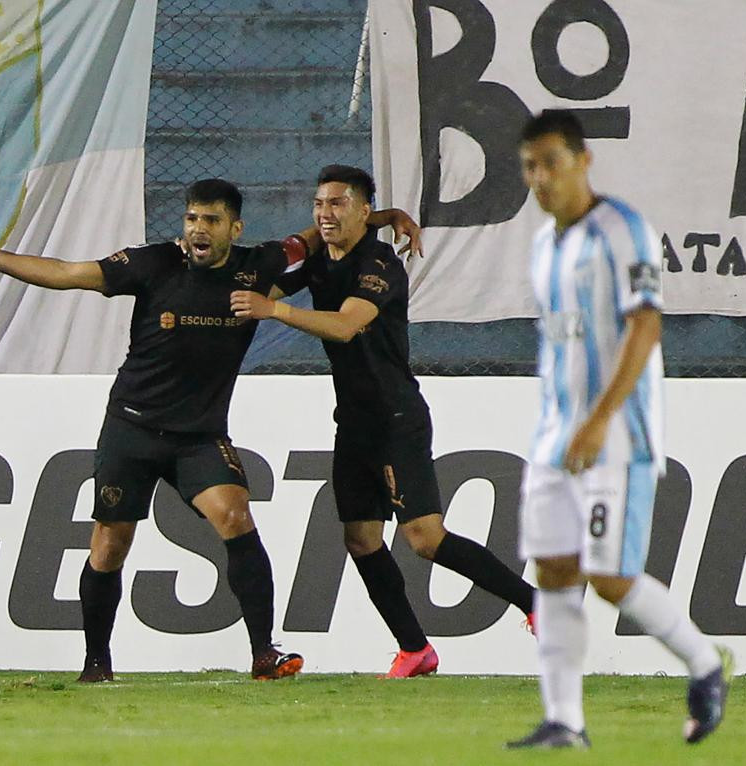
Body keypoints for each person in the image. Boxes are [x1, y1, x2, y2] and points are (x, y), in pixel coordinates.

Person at [0, 178, 419, 683]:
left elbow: (317, 236)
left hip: (199, 437)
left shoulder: (259, 265)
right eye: (192, 218)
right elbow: (67, 273)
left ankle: (265, 654)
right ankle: (96, 663)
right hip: (131, 429)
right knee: (109, 544)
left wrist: (379, 216)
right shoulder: (153, 263)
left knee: (236, 515)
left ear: (233, 228)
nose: (198, 229)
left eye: (211, 221)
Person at [230, 165, 537, 679]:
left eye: (338, 204)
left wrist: (271, 311)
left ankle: (534, 602)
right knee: (361, 539)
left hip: (396, 418)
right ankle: (415, 650)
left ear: (362, 211)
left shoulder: (379, 262)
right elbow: (274, 289)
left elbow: (348, 325)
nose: (325, 214)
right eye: (319, 204)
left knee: (424, 537)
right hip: (353, 423)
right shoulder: (322, 260)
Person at [503, 109, 732, 749]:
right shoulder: (545, 246)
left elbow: (646, 326)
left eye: (551, 162)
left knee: (608, 578)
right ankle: (564, 721)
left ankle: (705, 663)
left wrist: (599, 420)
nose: (541, 178)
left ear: (583, 160)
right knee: (551, 572)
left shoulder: (622, 230)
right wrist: (562, 424)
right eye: (529, 167)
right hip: (555, 439)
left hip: (616, 439)